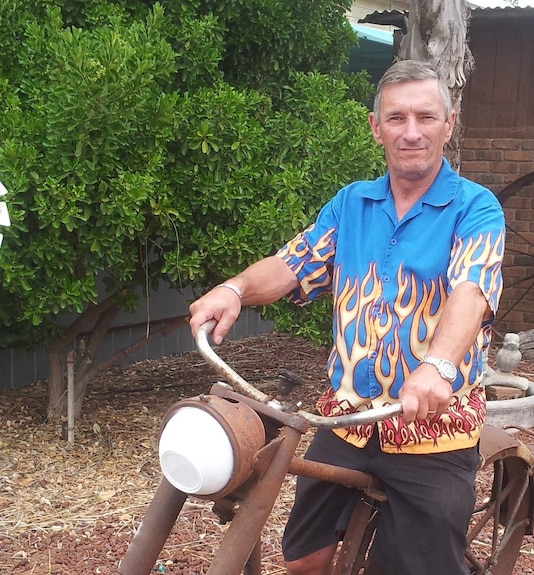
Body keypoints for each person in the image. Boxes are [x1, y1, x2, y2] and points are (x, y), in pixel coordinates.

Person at [188, 59, 505, 575]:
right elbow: (293, 264)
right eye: (396, 118)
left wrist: (439, 366)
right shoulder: (351, 203)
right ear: (375, 126)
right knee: (303, 560)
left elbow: (471, 290)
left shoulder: (476, 208)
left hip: (434, 427)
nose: (411, 132)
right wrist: (235, 289)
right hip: (348, 419)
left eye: (426, 117)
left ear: (449, 125)